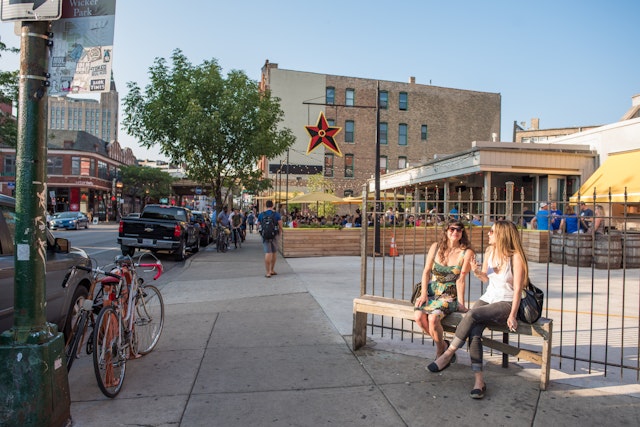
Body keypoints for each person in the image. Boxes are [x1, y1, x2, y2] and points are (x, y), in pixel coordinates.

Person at [428, 220, 528, 401]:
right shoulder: (490, 252)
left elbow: (518, 290)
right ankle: (479, 381)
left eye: (492, 231)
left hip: (505, 302)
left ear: (502, 235)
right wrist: (476, 271)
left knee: (472, 314)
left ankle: (448, 353)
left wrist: (513, 314)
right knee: (474, 331)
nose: (488, 234)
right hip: (488, 299)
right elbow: (485, 278)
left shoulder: (516, 257)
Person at [414, 221, 474, 360]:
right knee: (418, 317)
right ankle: (442, 345)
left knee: (433, 318)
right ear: (446, 231)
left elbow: (461, 279)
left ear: (462, 233)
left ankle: (440, 353)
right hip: (431, 291)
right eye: (452, 229)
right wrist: (423, 293)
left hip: (449, 294)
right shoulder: (436, 247)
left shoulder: (466, 252)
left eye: (459, 230)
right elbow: (426, 271)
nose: (455, 232)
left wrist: (461, 303)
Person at [258, 200, 283, 278]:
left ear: (266, 206)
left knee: (268, 252)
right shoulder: (276, 214)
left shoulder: (261, 214)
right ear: (272, 206)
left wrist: (261, 234)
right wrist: (279, 234)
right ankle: (272, 270)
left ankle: (267, 272)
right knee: (274, 252)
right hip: (274, 235)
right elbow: (280, 226)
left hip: (265, 236)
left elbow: (258, 225)